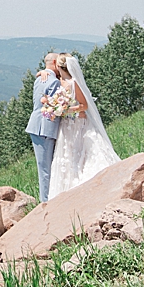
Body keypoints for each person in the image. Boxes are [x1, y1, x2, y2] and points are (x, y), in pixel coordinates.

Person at [49, 53, 120, 198]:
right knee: (67, 154)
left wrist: (67, 109)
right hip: (66, 124)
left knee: (80, 152)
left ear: (59, 66)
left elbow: (84, 105)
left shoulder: (74, 83)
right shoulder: (60, 81)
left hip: (77, 123)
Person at [24, 52, 63, 203]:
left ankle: (47, 199)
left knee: (45, 167)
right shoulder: (54, 82)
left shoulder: (41, 78)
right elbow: (53, 108)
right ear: (54, 62)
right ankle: (45, 201)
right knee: (45, 169)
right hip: (44, 128)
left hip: (38, 126)